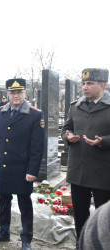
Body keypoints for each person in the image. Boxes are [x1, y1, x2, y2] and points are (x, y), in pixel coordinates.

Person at [0, 78, 45, 250]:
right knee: (4, 201)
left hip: (22, 169)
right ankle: (3, 232)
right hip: (3, 165)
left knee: (24, 204)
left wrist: (33, 170)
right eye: (12, 92)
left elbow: (37, 146)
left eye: (19, 92)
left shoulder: (35, 114)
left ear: (25, 93)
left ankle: (26, 239)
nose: (16, 95)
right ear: (8, 94)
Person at [61, 68, 110, 246]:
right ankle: (81, 244)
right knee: (80, 215)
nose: (84, 87)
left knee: (103, 217)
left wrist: (103, 141)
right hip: (78, 172)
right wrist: (68, 137)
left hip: (102, 174)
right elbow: (65, 129)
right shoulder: (76, 106)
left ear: (102, 85)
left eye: (89, 83)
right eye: (83, 83)